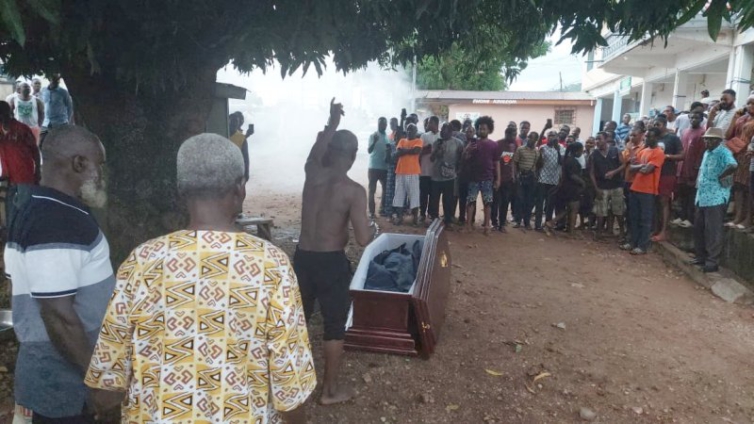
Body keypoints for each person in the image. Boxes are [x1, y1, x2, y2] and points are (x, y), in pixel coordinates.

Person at [86, 134, 315, 423]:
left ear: (181, 191)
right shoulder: (271, 265)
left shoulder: (142, 262)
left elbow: (106, 384)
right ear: (240, 188)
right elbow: (290, 386)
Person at [5, 126, 114, 422]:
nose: (102, 176)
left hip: (54, 381)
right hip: (62, 388)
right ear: (79, 163)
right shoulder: (56, 219)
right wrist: (97, 382)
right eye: (99, 165)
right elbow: (58, 316)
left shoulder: (40, 208)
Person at [296, 99, 372, 405]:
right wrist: (371, 226)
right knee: (333, 325)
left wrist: (332, 123)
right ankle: (328, 392)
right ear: (353, 156)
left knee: (297, 320)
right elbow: (363, 239)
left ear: (330, 150)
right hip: (331, 262)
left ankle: (290, 385)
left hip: (302, 258)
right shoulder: (354, 191)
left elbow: (315, 151)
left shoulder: (311, 172)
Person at [689, 127, 738, 273]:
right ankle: (701, 256)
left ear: (718, 140)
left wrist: (722, 176)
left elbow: (733, 165)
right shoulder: (707, 152)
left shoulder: (723, 152)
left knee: (713, 230)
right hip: (702, 196)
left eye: (710, 140)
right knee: (699, 228)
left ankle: (712, 261)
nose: (707, 142)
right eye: (706, 139)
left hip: (716, 196)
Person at [622, 127, 665, 254]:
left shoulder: (659, 153)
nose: (647, 138)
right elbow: (631, 168)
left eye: (650, 136)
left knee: (645, 219)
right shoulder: (643, 151)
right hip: (635, 187)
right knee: (633, 217)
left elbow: (647, 170)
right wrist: (642, 166)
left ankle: (642, 246)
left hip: (648, 190)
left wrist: (638, 167)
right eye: (646, 136)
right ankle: (632, 242)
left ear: (657, 138)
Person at [463, 116, 500, 234]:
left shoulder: (494, 145)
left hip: (488, 178)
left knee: (487, 203)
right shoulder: (472, 143)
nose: (481, 131)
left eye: (484, 129)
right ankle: (468, 225)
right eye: (479, 129)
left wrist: (498, 179)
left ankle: (487, 225)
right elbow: (465, 158)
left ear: (489, 130)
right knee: (470, 202)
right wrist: (467, 150)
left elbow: (497, 162)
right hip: (473, 177)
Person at [723, 95, 754, 230]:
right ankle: (738, 216)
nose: (750, 106)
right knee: (738, 186)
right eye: (748, 103)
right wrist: (735, 119)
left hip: (749, 156)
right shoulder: (742, 118)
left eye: (753, 103)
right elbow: (728, 135)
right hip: (737, 155)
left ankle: (748, 218)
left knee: (748, 188)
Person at [652, 114, 684, 242]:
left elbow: (682, 155)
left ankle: (664, 231)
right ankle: (655, 228)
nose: (656, 127)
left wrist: (668, 157)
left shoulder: (672, 138)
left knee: (664, 201)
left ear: (664, 125)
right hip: (653, 174)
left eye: (658, 124)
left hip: (667, 173)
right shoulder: (653, 138)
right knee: (655, 202)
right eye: (654, 124)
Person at [590, 130, 625, 239]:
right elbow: (591, 173)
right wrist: (596, 188)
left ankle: (622, 233)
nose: (597, 141)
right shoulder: (594, 154)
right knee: (600, 211)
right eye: (596, 139)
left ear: (606, 139)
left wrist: (614, 172)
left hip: (616, 185)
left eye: (599, 139)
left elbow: (624, 165)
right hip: (602, 186)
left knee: (618, 210)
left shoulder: (615, 150)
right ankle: (599, 233)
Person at [675, 111, 706, 228]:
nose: (693, 120)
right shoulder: (685, 131)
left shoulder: (702, 133)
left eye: (696, 117)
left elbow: (701, 151)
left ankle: (689, 218)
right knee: (682, 193)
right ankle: (682, 216)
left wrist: (696, 166)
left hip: (693, 168)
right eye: (691, 117)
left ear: (701, 119)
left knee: (691, 194)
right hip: (682, 166)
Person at [546, 143, 585, 234]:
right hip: (572, 188)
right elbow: (572, 175)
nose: (582, 152)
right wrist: (582, 182)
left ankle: (553, 222)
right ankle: (571, 231)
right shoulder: (573, 161)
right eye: (581, 150)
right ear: (577, 151)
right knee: (574, 209)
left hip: (565, 187)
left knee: (568, 209)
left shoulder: (566, 159)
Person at [429, 123, 464, 226]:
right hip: (436, 176)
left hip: (450, 176)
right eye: (442, 131)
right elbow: (432, 159)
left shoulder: (458, 143)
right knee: (434, 199)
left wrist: (458, 170)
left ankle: (448, 220)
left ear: (451, 132)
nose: (444, 133)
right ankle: (434, 218)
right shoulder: (436, 142)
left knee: (448, 200)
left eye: (447, 131)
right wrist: (437, 150)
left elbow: (461, 158)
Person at [0, 101, 41, 185]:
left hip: (24, 176)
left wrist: (38, 170)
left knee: (25, 194)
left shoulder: (22, 129)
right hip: (7, 178)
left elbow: (35, 150)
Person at [534, 130, 564, 231]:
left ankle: (547, 224)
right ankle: (538, 225)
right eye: (549, 135)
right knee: (540, 203)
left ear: (557, 137)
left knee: (550, 204)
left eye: (553, 136)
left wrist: (558, 150)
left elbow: (561, 162)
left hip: (554, 180)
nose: (551, 137)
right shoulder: (542, 148)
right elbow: (538, 164)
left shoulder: (561, 148)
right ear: (547, 137)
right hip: (542, 179)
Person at [393, 123, 423, 225]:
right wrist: (409, 150)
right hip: (400, 172)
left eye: (412, 129)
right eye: (408, 129)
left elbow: (416, 151)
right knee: (399, 195)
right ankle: (399, 218)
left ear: (416, 131)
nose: (409, 131)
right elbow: (398, 153)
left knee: (414, 196)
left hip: (413, 172)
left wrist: (404, 151)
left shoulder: (418, 141)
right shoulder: (402, 140)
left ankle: (415, 219)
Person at [493, 126, 518, 231]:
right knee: (495, 202)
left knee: (505, 201)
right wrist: (497, 179)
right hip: (496, 178)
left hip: (508, 179)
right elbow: (496, 162)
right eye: (512, 135)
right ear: (506, 134)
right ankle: (494, 222)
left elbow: (512, 161)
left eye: (515, 135)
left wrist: (513, 175)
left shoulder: (514, 145)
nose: (514, 137)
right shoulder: (498, 144)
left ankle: (502, 223)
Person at [513, 131, 540, 229]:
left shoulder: (537, 152)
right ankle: (517, 221)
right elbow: (515, 163)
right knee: (519, 199)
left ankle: (527, 222)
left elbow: (538, 165)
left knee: (529, 200)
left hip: (531, 178)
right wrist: (515, 175)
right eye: (529, 137)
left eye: (532, 138)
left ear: (536, 140)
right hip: (521, 176)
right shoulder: (520, 149)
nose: (530, 139)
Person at [367, 117, 390, 220]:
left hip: (384, 167)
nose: (382, 125)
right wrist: (374, 141)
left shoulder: (387, 137)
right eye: (381, 123)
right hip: (373, 167)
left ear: (386, 125)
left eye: (384, 124)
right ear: (378, 124)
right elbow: (369, 150)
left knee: (385, 189)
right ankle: (372, 212)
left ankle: (382, 209)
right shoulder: (373, 135)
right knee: (372, 190)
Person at [419, 116, 440, 222]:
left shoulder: (441, 136)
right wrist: (427, 150)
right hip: (424, 171)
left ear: (435, 123)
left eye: (429, 123)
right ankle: (422, 214)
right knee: (423, 194)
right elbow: (418, 152)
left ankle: (432, 214)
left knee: (434, 195)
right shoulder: (424, 136)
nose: (427, 125)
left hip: (436, 172)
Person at [381, 117, 400, 218]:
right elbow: (386, 158)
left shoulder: (402, 140)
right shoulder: (389, 138)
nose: (392, 125)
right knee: (389, 192)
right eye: (391, 123)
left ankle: (399, 212)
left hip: (400, 170)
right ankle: (389, 212)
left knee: (399, 191)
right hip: (391, 170)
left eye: (394, 123)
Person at [457, 125, 476, 225]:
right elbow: (459, 158)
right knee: (462, 197)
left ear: (474, 133)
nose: (468, 133)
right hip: (463, 174)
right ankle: (461, 217)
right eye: (467, 131)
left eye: (470, 131)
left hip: (473, 175)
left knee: (472, 198)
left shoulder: (477, 144)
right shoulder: (461, 143)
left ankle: (471, 218)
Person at [228, 111, 252, 182]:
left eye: (236, 121)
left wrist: (246, 174)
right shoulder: (223, 133)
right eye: (233, 121)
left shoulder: (241, 137)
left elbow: (246, 158)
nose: (234, 124)